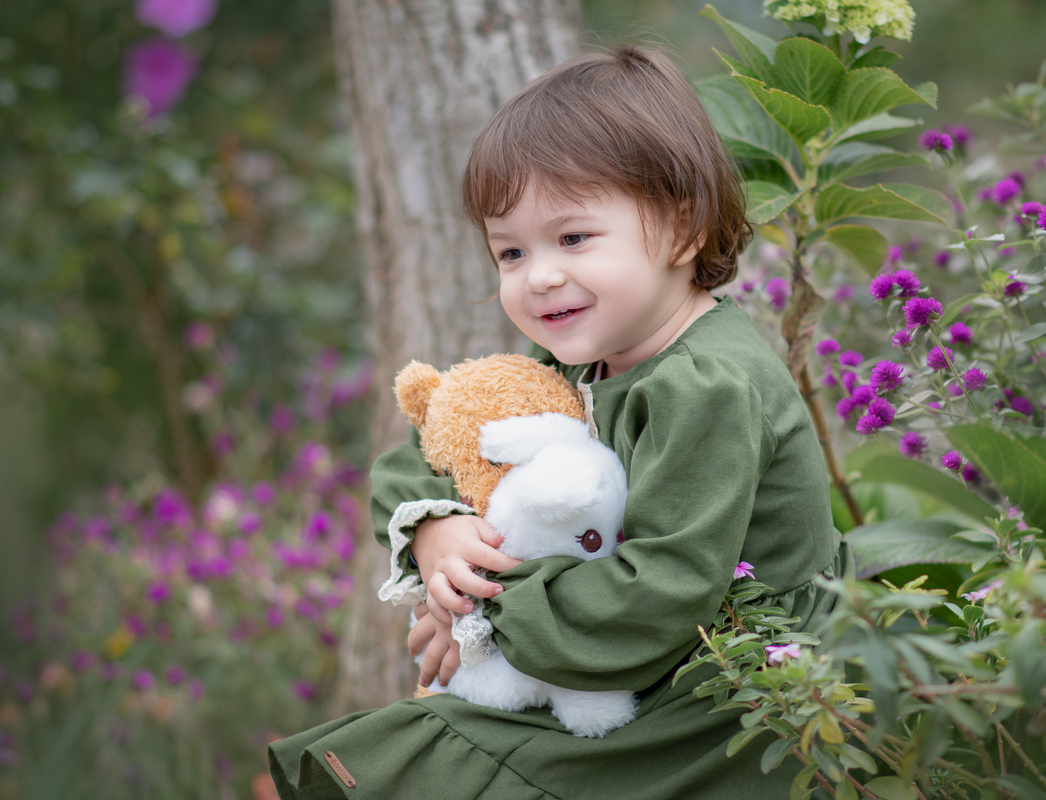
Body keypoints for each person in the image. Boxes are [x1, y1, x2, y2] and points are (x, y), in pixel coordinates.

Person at [268, 45, 850, 800]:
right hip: (603, 659)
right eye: (510, 252)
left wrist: (482, 609)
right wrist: (436, 531)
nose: (539, 276)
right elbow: (440, 442)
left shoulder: (707, 384)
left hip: (732, 694)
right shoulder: (579, 357)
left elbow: (662, 593)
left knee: (436, 765)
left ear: (684, 228)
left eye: (573, 238)